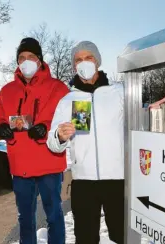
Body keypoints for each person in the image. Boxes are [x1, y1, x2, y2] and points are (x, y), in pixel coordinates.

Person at [46, 41, 125, 244]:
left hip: (118, 180)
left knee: (123, 236)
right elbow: (52, 142)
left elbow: (137, 128)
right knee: (86, 239)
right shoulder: (67, 100)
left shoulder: (119, 93)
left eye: (88, 57)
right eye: (78, 60)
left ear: (97, 61)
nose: (84, 63)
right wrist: (60, 136)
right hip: (84, 182)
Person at [0, 37, 70, 243]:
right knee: (25, 219)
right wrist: (0, 128)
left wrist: (45, 127)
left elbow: (66, 119)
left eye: (31, 57)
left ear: (40, 60)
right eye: (21, 57)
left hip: (49, 163)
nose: (26, 61)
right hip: (20, 166)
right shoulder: (6, 91)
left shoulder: (58, 88)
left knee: (54, 215)